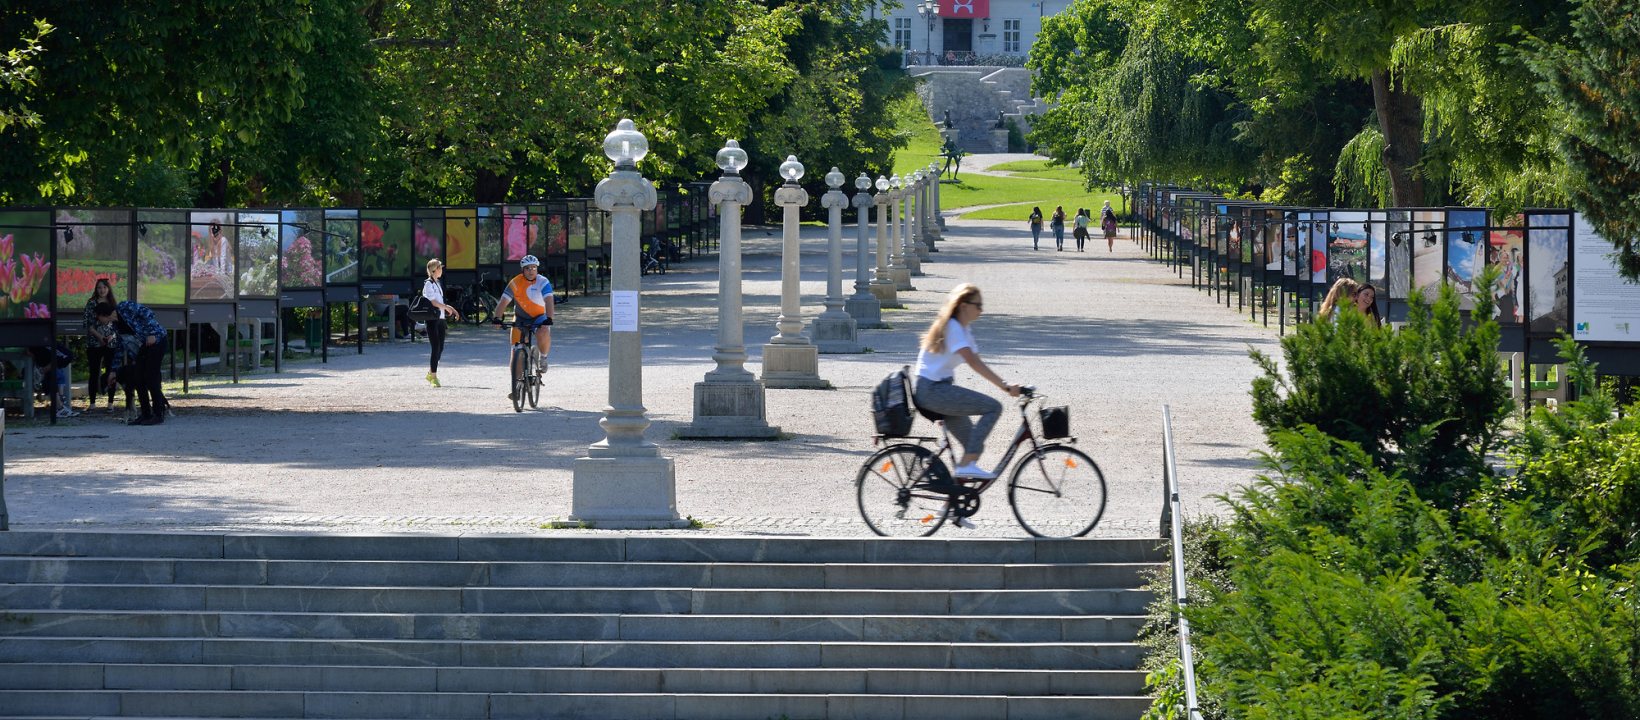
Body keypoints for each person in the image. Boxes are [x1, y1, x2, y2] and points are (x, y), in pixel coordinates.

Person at [912, 283, 1022, 487]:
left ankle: (952, 509)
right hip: (933, 391)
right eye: (978, 305)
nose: (981, 309)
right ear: (963, 306)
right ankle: (964, 469)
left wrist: (1009, 385)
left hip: (938, 389)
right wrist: (1005, 387)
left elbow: (976, 360)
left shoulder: (963, 329)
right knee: (993, 407)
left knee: (975, 446)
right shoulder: (953, 327)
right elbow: (973, 362)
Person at [94, 300, 168, 425]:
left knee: (151, 378)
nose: (98, 321)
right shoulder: (116, 326)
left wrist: (152, 333)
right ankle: (146, 414)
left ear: (103, 315)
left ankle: (158, 414)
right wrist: (113, 371)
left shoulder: (124, 307)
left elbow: (147, 312)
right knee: (138, 378)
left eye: (98, 318)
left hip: (157, 340)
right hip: (144, 346)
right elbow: (119, 347)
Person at [492, 254, 554, 401]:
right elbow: (503, 302)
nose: (531, 271)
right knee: (515, 353)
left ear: (537, 269)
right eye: (528, 268)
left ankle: (543, 357)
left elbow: (549, 300)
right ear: (522, 270)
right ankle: (516, 386)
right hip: (520, 317)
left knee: (543, 331)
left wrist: (549, 318)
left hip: (539, 317)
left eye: (534, 268)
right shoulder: (515, 282)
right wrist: (497, 318)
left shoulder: (543, 282)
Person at [421, 259, 461, 387]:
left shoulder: (437, 283)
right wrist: (446, 307)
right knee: (435, 347)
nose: (441, 270)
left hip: (441, 318)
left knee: (441, 347)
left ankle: (430, 372)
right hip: (432, 319)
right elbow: (433, 302)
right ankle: (433, 377)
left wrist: (451, 308)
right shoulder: (428, 284)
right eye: (440, 268)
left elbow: (439, 301)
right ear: (434, 270)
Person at [82, 278, 117, 412]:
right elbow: (88, 324)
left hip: (111, 343)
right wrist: (100, 337)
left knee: (111, 372)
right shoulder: (91, 303)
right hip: (94, 343)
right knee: (94, 372)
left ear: (108, 289)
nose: (102, 290)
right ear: (96, 290)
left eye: (104, 287)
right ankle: (92, 403)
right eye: (99, 288)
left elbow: (116, 324)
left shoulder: (113, 303)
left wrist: (110, 337)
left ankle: (110, 403)